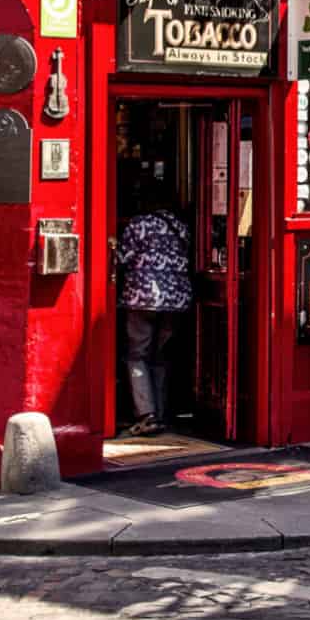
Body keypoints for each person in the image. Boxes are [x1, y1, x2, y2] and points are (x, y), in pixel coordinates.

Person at [117, 185, 193, 437]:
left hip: (143, 297)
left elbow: (121, 257)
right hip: (176, 299)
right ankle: (161, 413)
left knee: (137, 354)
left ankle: (146, 414)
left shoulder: (139, 224)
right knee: (159, 356)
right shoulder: (180, 227)